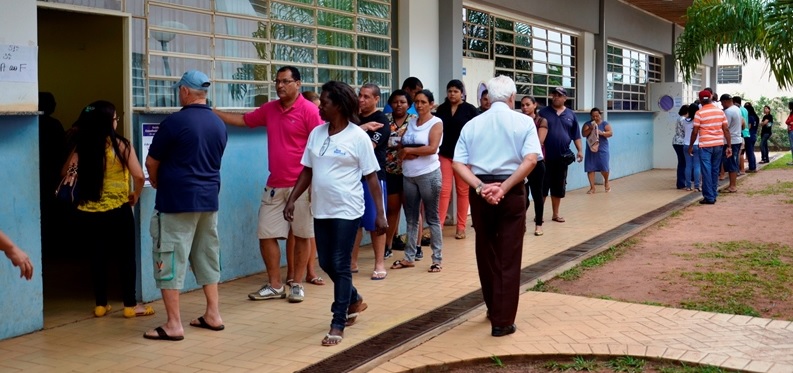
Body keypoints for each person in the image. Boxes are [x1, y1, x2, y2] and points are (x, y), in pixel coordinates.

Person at [284, 81, 386, 347]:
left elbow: (372, 178)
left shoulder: (357, 137)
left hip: (347, 208)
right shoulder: (316, 134)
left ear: (338, 105)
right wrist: (292, 199)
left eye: (325, 103)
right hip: (322, 208)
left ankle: (338, 321)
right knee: (327, 262)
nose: (320, 107)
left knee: (340, 263)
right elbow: (307, 170)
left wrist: (380, 214)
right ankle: (352, 298)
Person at [214, 66, 323, 303]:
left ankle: (296, 283)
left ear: (298, 84)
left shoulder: (309, 111)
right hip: (274, 184)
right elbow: (243, 120)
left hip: (302, 185)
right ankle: (275, 284)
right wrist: (214, 112)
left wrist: (316, 185)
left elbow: (319, 148)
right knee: (266, 233)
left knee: (302, 234)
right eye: (277, 81)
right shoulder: (270, 109)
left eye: (285, 81)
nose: (280, 86)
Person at [452, 75, 541, 337]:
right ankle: (502, 321)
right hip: (511, 192)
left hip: (480, 193)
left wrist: (480, 187)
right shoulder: (524, 122)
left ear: (488, 98)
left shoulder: (472, 124)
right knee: (509, 256)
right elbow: (531, 160)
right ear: (512, 98)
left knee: (486, 250)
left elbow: (457, 164)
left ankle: (493, 307)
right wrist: (504, 187)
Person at [144, 70, 227, 341]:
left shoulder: (175, 122)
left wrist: (156, 182)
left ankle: (173, 324)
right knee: (207, 255)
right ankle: (213, 314)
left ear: (184, 91)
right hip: (208, 200)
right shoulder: (217, 124)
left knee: (168, 259)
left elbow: (151, 162)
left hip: (176, 201)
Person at [67, 100, 149, 318]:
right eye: (115, 119)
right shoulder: (122, 145)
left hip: (90, 212)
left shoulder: (81, 146)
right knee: (126, 257)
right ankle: (130, 305)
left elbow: (65, 174)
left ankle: (101, 304)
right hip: (118, 209)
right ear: (107, 122)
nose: (116, 122)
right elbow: (139, 176)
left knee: (97, 256)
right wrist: (136, 194)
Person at [390, 89, 444, 273]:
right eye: (417, 102)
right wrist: (404, 150)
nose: (419, 105)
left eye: (423, 102)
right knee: (411, 218)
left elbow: (431, 148)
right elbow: (402, 145)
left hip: (428, 173)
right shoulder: (411, 122)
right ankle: (409, 257)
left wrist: (410, 151)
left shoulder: (436, 123)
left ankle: (437, 259)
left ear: (431, 104)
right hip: (409, 174)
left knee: (432, 217)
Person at [350, 83, 391, 280]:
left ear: (376, 99)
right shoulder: (354, 119)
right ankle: (352, 262)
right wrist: (361, 127)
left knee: (376, 223)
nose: (361, 99)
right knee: (354, 223)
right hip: (352, 178)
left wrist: (358, 132)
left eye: (367, 96)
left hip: (373, 178)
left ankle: (380, 264)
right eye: (360, 95)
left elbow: (368, 147)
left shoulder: (381, 121)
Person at [435, 79, 478, 240]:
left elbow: (476, 132)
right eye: (450, 91)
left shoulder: (470, 110)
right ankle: (437, 227)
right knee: (444, 191)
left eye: (455, 91)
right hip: (444, 154)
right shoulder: (441, 109)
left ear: (462, 93)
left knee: (463, 191)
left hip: (464, 156)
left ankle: (461, 228)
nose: (452, 94)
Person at [538, 87, 582, 223]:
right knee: (543, 186)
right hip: (545, 157)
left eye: (559, 95)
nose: (556, 97)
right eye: (554, 95)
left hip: (562, 157)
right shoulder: (544, 112)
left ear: (565, 98)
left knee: (558, 186)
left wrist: (580, 150)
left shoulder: (570, 114)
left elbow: (576, 135)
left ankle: (555, 214)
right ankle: (538, 214)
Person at [383, 90, 415, 257]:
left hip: (410, 170)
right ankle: (387, 246)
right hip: (390, 169)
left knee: (412, 210)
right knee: (392, 208)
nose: (399, 105)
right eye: (395, 102)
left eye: (402, 102)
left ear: (409, 104)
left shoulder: (415, 121)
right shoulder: (385, 120)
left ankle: (414, 247)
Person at [689, 90, 731, 205]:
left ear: (701, 99)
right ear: (711, 97)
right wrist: (729, 146)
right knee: (715, 170)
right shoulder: (720, 112)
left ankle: (709, 197)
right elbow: (726, 129)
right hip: (718, 144)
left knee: (706, 171)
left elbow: (695, 132)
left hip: (706, 145)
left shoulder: (699, 113)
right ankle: (713, 194)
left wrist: (691, 145)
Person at [38, 92, 66, 258]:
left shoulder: (35, 124)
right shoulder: (54, 124)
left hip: (38, 174)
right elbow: (62, 150)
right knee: (52, 214)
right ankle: (53, 250)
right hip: (52, 175)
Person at [520, 96, 547, 236]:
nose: (525, 107)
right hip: (521, 163)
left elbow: (539, 141)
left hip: (536, 163)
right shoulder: (518, 121)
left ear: (534, 105)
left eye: (528, 105)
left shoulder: (541, 121)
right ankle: (521, 223)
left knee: (537, 195)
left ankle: (539, 224)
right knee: (522, 195)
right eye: (522, 105)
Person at [583, 107, 613, 194]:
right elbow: (583, 134)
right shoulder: (588, 124)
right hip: (591, 149)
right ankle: (592, 187)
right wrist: (591, 128)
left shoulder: (605, 124)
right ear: (591, 116)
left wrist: (602, 133)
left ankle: (606, 182)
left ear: (600, 115)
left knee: (604, 167)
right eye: (593, 116)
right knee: (590, 168)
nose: (595, 118)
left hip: (602, 148)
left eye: (597, 116)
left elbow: (610, 133)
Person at [720, 94, 742, 193]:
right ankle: (731, 185)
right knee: (733, 161)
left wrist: (728, 145)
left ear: (725, 101)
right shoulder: (737, 109)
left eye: (722, 102)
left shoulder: (728, 112)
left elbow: (725, 128)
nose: (721, 105)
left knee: (731, 162)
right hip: (736, 139)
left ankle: (733, 186)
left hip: (731, 140)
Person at [683, 104, 701, 191]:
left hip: (686, 144)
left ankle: (688, 186)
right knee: (697, 166)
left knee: (688, 166)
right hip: (697, 144)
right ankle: (697, 186)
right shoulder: (699, 121)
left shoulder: (684, 121)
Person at [672, 105, 688, 189]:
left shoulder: (679, 118)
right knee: (683, 163)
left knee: (681, 162)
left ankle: (681, 182)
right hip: (681, 142)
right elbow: (686, 131)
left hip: (676, 141)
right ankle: (681, 183)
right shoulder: (683, 120)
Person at [733, 96, 749, 174]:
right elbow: (744, 124)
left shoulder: (737, 112)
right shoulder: (744, 109)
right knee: (741, 153)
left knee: (736, 154)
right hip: (744, 133)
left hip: (736, 135)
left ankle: (738, 170)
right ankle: (741, 169)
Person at [744, 102, 759, 172]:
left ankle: (752, 167)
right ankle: (753, 166)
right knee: (751, 152)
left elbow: (749, 126)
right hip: (754, 135)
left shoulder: (749, 117)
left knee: (749, 152)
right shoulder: (756, 117)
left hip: (749, 136)